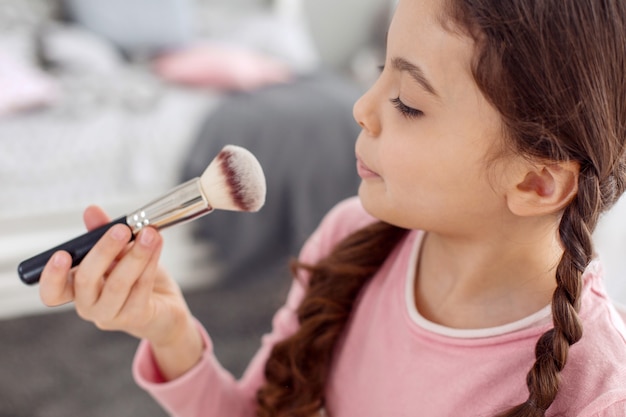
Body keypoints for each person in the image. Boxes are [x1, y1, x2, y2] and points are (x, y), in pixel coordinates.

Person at [38, 0, 626, 416]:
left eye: (407, 102)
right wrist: (168, 332)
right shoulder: (350, 234)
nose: (361, 109)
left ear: (537, 183)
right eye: (378, 74)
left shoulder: (599, 392)